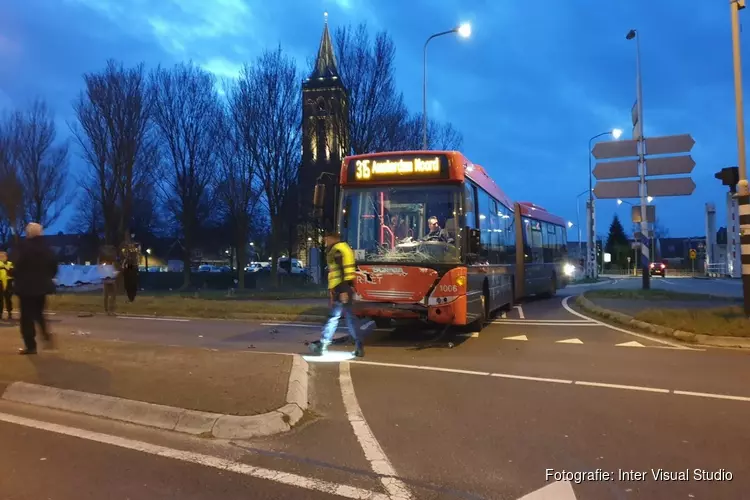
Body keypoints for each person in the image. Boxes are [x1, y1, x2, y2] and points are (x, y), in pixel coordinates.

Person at [310, 230, 364, 357]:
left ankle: (322, 345)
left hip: (341, 288)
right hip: (346, 287)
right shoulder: (345, 248)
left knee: (334, 317)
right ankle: (359, 346)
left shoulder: (337, 251)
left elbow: (341, 270)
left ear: (332, 238)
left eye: (327, 239)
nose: (325, 241)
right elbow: (349, 270)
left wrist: (343, 291)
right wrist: (349, 288)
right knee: (349, 318)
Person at [11, 222, 58, 355]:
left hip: (26, 287)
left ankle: (31, 346)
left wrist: (14, 274)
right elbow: (54, 265)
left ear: (28, 233)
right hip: (42, 287)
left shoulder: (23, 247)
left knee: (26, 318)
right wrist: (47, 278)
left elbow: (17, 264)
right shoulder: (47, 248)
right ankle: (45, 334)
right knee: (39, 313)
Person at [0, 251, 14, 320]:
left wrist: (5, 267)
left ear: (6, 257)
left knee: (8, 299)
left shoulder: (10, 263)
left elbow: (12, 273)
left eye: (3, 256)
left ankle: (9, 313)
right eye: (0, 256)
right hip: (0, 283)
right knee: (0, 299)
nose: (1, 257)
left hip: (8, 283)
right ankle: (0, 314)